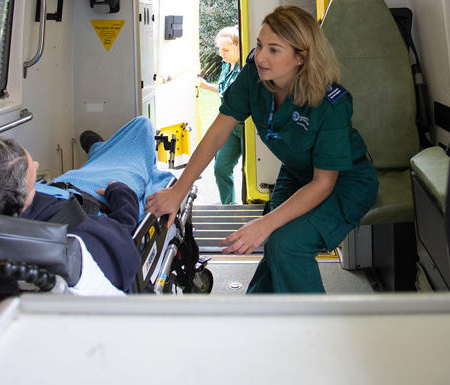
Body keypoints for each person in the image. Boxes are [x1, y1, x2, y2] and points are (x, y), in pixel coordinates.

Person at [146, 6, 378, 293]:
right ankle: (258, 312)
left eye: (274, 49)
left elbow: (323, 184)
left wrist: (265, 224)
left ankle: (315, 329)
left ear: (300, 57)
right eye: (258, 45)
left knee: (286, 242)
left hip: (345, 181)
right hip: (296, 173)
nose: (261, 56)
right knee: (275, 241)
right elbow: (218, 132)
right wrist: (178, 191)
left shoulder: (331, 103)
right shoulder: (253, 79)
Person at [0, 116, 173, 294]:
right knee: (141, 127)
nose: (37, 164)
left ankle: (101, 150)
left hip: (64, 187)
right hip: (96, 191)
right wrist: (120, 193)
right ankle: (101, 149)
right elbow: (123, 233)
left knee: (123, 151)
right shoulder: (71, 246)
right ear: (17, 198)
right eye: (31, 172)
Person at [198, 25, 243, 204]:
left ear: (238, 46)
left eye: (226, 49)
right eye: (220, 49)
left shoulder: (245, 70)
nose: (221, 53)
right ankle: (229, 205)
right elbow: (225, 91)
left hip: (245, 127)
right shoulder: (226, 65)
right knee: (221, 168)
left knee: (251, 171)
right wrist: (206, 86)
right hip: (229, 127)